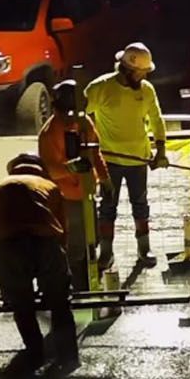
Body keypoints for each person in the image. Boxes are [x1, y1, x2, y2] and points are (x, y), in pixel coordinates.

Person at [0, 153, 75, 366]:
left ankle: (35, 354)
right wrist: (60, 261)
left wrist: (1, 266)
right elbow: (62, 227)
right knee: (60, 302)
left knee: (22, 305)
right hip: (45, 242)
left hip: (9, 246)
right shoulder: (48, 186)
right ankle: (68, 356)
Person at [85, 42, 167, 270]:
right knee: (107, 207)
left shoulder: (146, 90)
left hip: (138, 160)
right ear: (128, 69)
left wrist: (160, 151)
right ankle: (106, 252)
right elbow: (81, 117)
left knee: (140, 205)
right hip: (109, 161)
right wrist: (86, 144)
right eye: (141, 71)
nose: (144, 75)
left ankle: (144, 249)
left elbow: (157, 120)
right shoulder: (100, 88)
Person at [38, 80, 111, 290]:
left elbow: (95, 151)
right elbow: (49, 170)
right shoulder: (50, 132)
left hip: (87, 192)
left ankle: (90, 279)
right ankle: (77, 286)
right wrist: (70, 169)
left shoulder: (84, 122)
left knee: (92, 239)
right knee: (75, 246)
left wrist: (105, 178)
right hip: (66, 198)